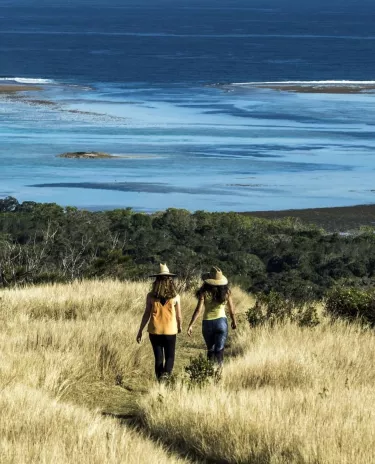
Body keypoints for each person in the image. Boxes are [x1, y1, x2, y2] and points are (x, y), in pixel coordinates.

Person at [136, 263, 182, 380]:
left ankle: (160, 381)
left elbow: (146, 314)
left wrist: (140, 330)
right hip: (170, 331)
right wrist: (180, 326)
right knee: (170, 356)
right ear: (170, 280)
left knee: (158, 358)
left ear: (156, 280)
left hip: (154, 330)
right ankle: (166, 377)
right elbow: (179, 316)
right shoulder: (175, 297)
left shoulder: (150, 296)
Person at [187, 266, 236, 365]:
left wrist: (191, 325)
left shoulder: (204, 293)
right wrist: (234, 321)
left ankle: (209, 372)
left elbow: (198, 310)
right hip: (221, 322)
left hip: (207, 323)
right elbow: (232, 310)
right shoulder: (227, 292)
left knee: (210, 350)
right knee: (219, 350)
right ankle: (219, 372)